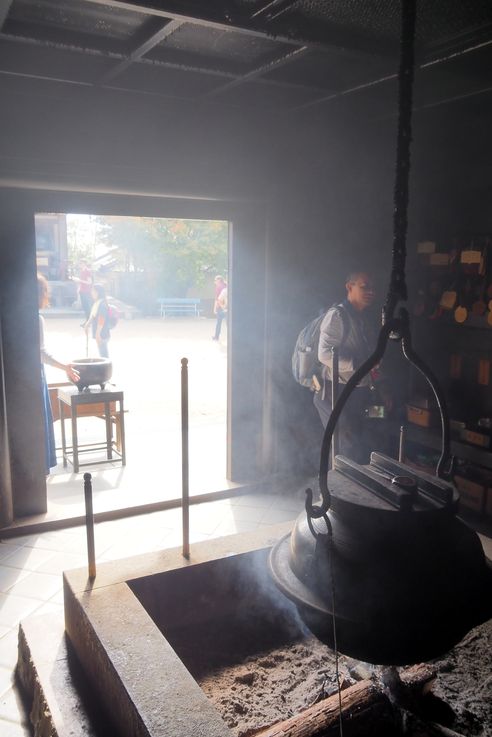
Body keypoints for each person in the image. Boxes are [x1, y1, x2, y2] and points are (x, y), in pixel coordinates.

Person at [313, 271, 391, 464]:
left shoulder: (363, 318)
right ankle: (335, 491)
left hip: (359, 394)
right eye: (364, 287)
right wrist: (360, 365)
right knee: (344, 448)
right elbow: (324, 354)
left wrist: (383, 389)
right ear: (349, 287)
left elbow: (373, 361)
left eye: (372, 288)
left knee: (361, 441)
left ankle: (354, 488)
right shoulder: (337, 316)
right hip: (335, 392)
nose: (370, 292)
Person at [38, 274, 79, 474]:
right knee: (38, 421)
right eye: (46, 292)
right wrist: (65, 367)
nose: (47, 296)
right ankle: (39, 469)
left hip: (19, 378)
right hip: (33, 377)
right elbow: (40, 353)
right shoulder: (35, 318)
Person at [82, 284, 111, 357]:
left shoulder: (102, 304)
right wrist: (87, 324)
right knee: (102, 354)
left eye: (93, 291)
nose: (91, 292)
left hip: (102, 333)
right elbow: (93, 315)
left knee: (104, 356)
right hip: (101, 333)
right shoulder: (97, 303)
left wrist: (98, 334)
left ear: (97, 292)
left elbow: (101, 319)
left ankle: (106, 368)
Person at [212, 275, 227, 341]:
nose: (214, 281)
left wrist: (214, 308)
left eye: (215, 280)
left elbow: (217, 299)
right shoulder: (226, 286)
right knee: (228, 323)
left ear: (219, 280)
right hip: (227, 307)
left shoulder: (218, 287)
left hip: (220, 307)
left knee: (219, 323)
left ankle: (216, 336)